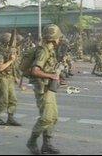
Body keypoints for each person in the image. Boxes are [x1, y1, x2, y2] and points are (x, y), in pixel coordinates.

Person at [26, 24, 62, 154]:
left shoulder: (50, 50)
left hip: (49, 87)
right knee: (46, 117)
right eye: (58, 37)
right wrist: (51, 75)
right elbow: (35, 70)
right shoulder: (43, 51)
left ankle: (47, 144)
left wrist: (56, 75)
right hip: (43, 88)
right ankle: (31, 141)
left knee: (53, 117)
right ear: (54, 38)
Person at [0, 32, 21, 126]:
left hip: (9, 78)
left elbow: (12, 66)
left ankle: (10, 118)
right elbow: (0, 68)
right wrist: (10, 60)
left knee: (13, 99)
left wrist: (15, 77)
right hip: (2, 78)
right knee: (4, 99)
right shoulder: (0, 53)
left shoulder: (11, 52)